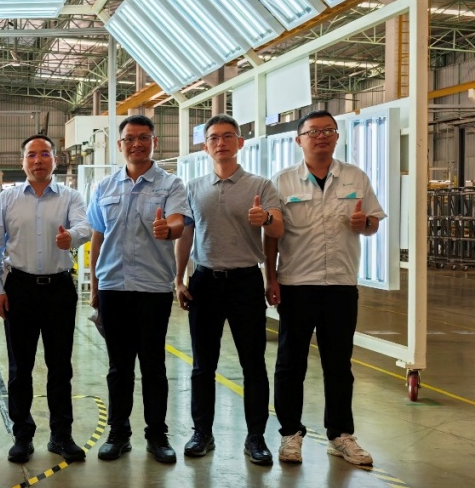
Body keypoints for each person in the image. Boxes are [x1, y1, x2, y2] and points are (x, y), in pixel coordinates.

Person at [266, 110, 385, 467]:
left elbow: (372, 224)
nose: (321, 136)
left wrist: (365, 223)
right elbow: (272, 235)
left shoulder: (355, 176)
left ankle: (340, 435)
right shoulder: (282, 182)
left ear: (336, 137)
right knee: (291, 364)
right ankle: (290, 433)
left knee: (339, 364)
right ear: (299, 139)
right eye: (313, 131)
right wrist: (270, 277)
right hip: (296, 284)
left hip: (341, 286)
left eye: (328, 131)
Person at [173, 114, 284, 465]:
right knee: (202, 365)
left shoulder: (260, 185)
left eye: (227, 136)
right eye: (214, 138)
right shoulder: (193, 188)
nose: (221, 143)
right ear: (205, 146)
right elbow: (186, 235)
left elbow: (277, 229)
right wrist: (179, 279)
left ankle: (256, 438)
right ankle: (201, 433)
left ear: (240, 142)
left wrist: (266, 219)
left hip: (245, 283)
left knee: (253, 364)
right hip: (204, 282)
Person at [87, 114, 188, 464]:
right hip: (113, 287)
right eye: (130, 138)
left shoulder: (171, 185)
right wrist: (94, 286)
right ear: (120, 145)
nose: (137, 144)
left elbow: (178, 222)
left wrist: (168, 230)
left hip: (152, 288)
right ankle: (118, 432)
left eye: (144, 137)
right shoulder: (104, 187)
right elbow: (98, 237)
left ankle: (157, 434)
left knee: (153, 365)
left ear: (154, 142)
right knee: (119, 367)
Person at [0, 134, 90, 464]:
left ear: (55, 160)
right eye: (32, 155)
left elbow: (85, 226)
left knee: (60, 367)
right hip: (20, 289)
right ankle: (22, 435)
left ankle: (61, 435)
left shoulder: (70, 196)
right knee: (20, 368)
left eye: (45, 154)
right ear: (23, 162)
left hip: (59, 289)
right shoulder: (8, 199)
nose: (38, 160)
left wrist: (71, 237)